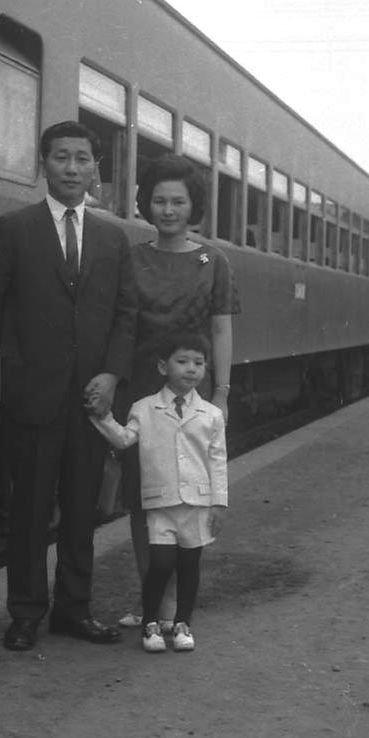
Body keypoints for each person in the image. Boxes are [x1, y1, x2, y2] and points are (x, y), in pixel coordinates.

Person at [0, 120, 137, 651]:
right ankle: (25, 613)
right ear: (43, 163)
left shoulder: (114, 237)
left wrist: (110, 374)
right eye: (61, 157)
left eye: (82, 159)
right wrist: (24, 360)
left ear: (96, 169)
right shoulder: (14, 228)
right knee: (28, 509)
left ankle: (74, 610)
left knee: (82, 506)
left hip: (91, 399)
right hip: (33, 395)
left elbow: (125, 314)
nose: (72, 168)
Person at [114, 154, 238, 630]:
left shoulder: (214, 261)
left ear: (193, 207)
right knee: (145, 497)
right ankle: (155, 604)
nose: (168, 210)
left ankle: (170, 609)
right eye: (159, 200)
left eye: (178, 202)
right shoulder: (133, 256)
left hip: (191, 393)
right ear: (147, 204)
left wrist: (222, 393)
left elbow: (221, 331)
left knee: (188, 501)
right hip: (143, 392)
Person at [90, 330, 227, 653]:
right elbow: (124, 439)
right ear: (164, 367)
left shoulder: (211, 415)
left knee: (190, 567)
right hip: (160, 503)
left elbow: (217, 459)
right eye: (183, 362)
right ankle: (151, 622)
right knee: (161, 564)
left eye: (199, 363)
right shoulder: (144, 408)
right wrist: (102, 418)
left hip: (196, 504)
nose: (191, 369)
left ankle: (182, 623)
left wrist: (219, 503)